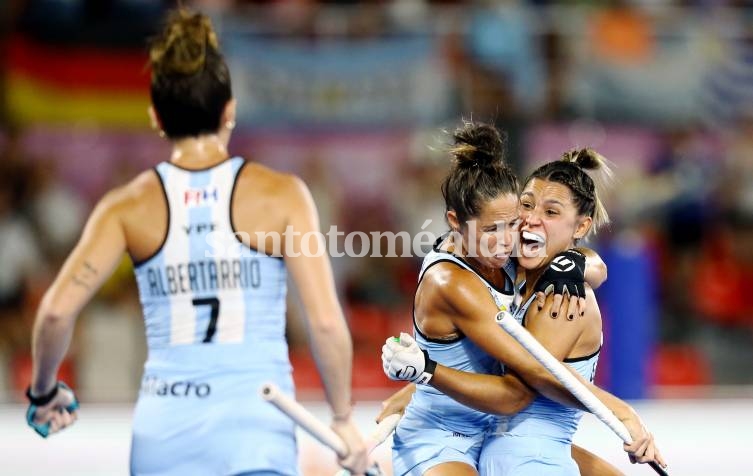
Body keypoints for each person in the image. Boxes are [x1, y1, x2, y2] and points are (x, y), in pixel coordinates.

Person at [25, 8, 368, 476]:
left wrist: (44, 393)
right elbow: (326, 322)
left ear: (155, 118)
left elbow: (56, 313)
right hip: (255, 435)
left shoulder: (126, 206)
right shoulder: (283, 195)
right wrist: (344, 419)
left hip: (166, 437)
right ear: (230, 110)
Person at [382, 147, 667, 474]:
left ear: (581, 226)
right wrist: (623, 412)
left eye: (551, 212)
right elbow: (534, 380)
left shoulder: (558, 287)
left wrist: (578, 261)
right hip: (523, 455)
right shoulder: (509, 266)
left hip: (513, 446)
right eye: (527, 205)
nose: (531, 219)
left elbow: (597, 266)